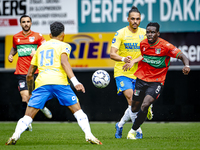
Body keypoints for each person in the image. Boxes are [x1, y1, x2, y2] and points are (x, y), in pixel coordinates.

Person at [5, 21, 102, 145]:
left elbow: (29, 75)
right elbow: (64, 62)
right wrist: (75, 82)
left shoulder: (39, 48)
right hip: (59, 83)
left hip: (42, 83)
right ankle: (89, 135)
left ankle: (15, 135)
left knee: (28, 116)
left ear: (50, 35)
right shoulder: (64, 45)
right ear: (63, 35)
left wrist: (30, 92)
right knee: (78, 111)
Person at [126, 22, 190, 139]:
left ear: (158, 33)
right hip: (141, 79)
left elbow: (182, 55)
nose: (149, 34)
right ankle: (143, 111)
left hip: (157, 80)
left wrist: (187, 65)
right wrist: (133, 61)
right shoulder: (143, 44)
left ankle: (132, 131)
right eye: (148, 32)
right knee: (134, 108)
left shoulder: (165, 46)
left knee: (144, 105)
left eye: (152, 32)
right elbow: (143, 56)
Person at [110, 6, 153, 139]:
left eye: (137, 19)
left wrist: (134, 61)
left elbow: (147, 54)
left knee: (135, 104)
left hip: (139, 73)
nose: (135, 21)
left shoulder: (145, 33)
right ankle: (137, 130)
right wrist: (124, 59)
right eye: (132, 18)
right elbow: (112, 54)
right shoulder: (120, 33)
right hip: (122, 72)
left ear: (140, 20)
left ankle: (120, 124)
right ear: (128, 19)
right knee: (131, 99)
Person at [8, 15, 52, 124]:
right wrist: (11, 55)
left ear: (31, 23)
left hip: (36, 71)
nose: (26, 24)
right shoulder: (16, 37)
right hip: (22, 72)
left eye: (28, 21)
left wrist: (36, 53)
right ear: (21, 24)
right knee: (25, 97)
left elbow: (46, 49)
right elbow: (15, 47)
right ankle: (26, 123)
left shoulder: (37, 36)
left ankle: (42, 106)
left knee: (37, 96)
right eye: (24, 22)